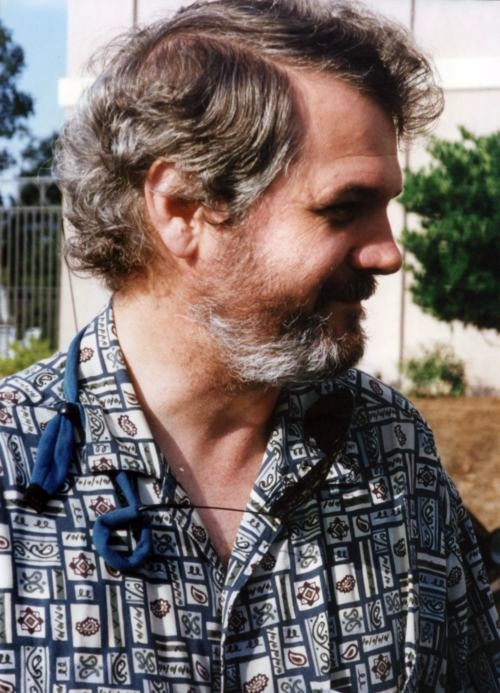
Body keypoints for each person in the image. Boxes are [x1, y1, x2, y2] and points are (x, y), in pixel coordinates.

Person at [0, 0, 499, 690]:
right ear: (181, 208)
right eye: (343, 208)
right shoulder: (15, 476)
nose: (388, 253)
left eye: (386, 207)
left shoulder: (394, 453)